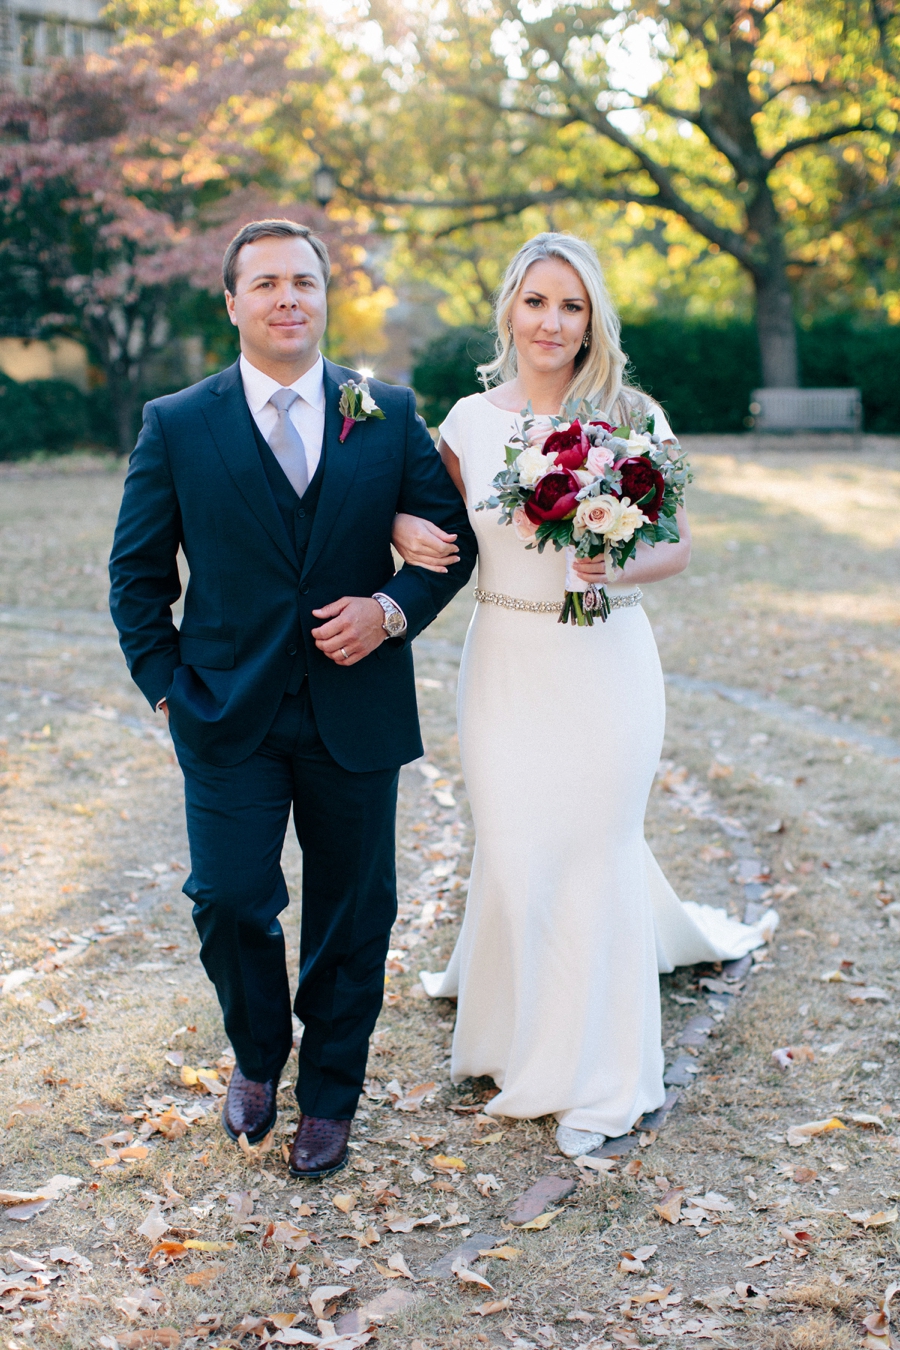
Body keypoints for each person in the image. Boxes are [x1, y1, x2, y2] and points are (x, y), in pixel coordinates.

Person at [392, 233, 775, 1159]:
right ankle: (512, 1036)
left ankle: (600, 1073)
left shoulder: (631, 416)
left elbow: (677, 544)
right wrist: (401, 519)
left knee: (596, 847)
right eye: (536, 302)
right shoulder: (471, 423)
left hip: (605, 661)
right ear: (509, 311)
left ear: (593, 317)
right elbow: (433, 522)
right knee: (520, 850)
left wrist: (615, 560)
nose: (552, 322)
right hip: (506, 663)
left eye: (571, 305)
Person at [109, 219, 477, 1178]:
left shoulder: (386, 411)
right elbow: (137, 574)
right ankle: (259, 1057)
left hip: (357, 709)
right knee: (228, 899)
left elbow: (450, 546)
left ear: (325, 298)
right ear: (231, 302)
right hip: (226, 709)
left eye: (304, 282)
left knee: (357, 911)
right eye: (265, 282)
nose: (287, 298)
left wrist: (389, 611)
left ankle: (332, 1095)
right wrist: (164, 689)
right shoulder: (178, 422)